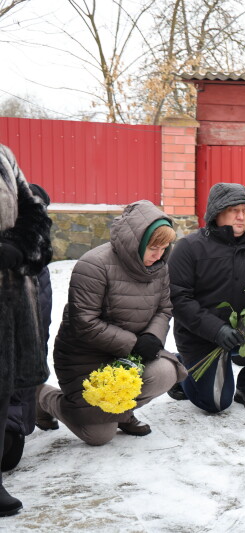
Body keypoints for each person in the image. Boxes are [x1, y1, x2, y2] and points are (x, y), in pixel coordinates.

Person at [35, 200, 185, 447]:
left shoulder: (159, 267)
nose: (159, 255)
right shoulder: (94, 265)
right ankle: (43, 397)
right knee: (98, 436)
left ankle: (122, 412)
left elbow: (164, 308)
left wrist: (152, 338)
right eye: (153, 247)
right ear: (135, 240)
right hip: (85, 358)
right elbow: (84, 322)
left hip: (128, 355)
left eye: (165, 248)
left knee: (165, 372)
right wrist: (134, 344)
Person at [168, 183, 245, 412]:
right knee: (214, 404)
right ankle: (180, 369)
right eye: (234, 210)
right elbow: (179, 300)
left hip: (242, 329)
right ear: (217, 212)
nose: (241, 217)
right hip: (201, 337)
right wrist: (216, 330)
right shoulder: (189, 248)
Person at [0, 145, 52, 517]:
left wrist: (19, 246)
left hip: (9, 294)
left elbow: (33, 209)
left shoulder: (4, 156)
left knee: (2, 384)